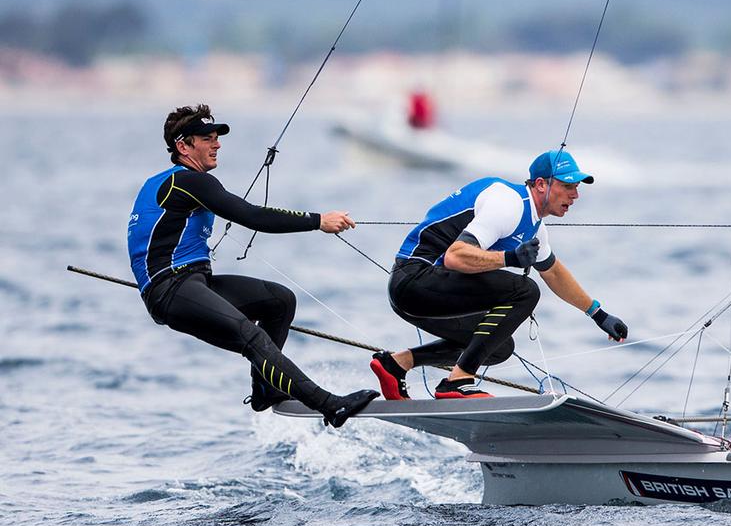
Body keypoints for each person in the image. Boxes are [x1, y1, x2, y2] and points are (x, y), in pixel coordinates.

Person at [127, 104, 378, 426]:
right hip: (171, 289)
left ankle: (266, 389)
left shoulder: (177, 182)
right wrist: (318, 221)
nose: (217, 144)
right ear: (183, 146)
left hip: (192, 281)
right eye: (207, 138)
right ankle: (331, 406)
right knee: (252, 339)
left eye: (217, 137)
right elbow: (252, 217)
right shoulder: (188, 182)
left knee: (279, 300)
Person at [370, 150, 628, 400]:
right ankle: (457, 383)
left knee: (498, 348)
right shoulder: (508, 203)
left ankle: (397, 364)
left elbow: (553, 272)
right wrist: (510, 258)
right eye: (568, 185)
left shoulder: (534, 224)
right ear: (541, 184)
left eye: (577, 187)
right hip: (414, 281)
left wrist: (597, 313)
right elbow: (455, 256)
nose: (575, 195)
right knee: (525, 290)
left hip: (429, 291)